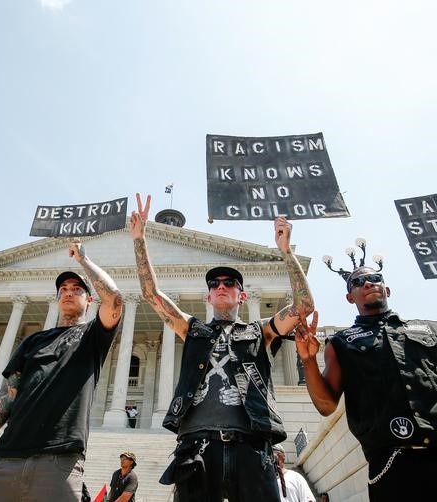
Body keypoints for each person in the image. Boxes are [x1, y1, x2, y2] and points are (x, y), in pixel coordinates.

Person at [295, 251, 437, 502]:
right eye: (358, 282)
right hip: (396, 466)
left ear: (387, 289)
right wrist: (308, 361)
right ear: (350, 297)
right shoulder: (341, 343)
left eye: (374, 277)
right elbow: (327, 405)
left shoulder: (430, 330)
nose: (368, 283)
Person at [130, 193, 314, 502]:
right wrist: (139, 240)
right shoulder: (192, 330)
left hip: (251, 446)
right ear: (208, 297)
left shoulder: (261, 331)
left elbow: (304, 305)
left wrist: (286, 252)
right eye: (214, 285)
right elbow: (151, 294)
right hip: (198, 448)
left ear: (242, 296)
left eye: (229, 283)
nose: (221, 287)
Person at [0, 238, 124, 502]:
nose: (69, 292)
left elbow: (115, 299)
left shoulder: (93, 336)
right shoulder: (33, 342)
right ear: (57, 297)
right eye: (63, 289)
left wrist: (83, 260)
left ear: (90, 299)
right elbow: (7, 396)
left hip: (58, 461)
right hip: (5, 458)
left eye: (77, 289)